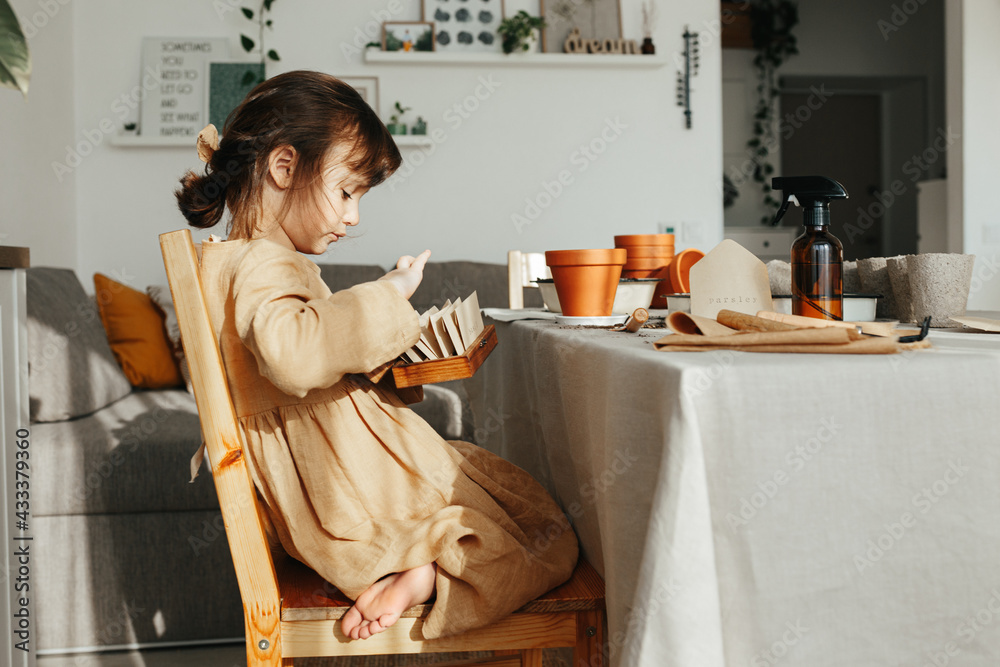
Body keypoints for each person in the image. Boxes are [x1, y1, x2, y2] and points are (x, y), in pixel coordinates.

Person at [174, 70, 578, 641]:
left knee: (501, 493)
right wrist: (388, 294)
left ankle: (426, 567)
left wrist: (388, 361)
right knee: (543, 532)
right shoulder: (262, 263)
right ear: (284, 168)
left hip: (334, 490)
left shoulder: (245, 262)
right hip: (351, 500)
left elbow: (305, 358)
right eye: (346, 192)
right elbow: (291, 357)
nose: (354, 217)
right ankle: (429, 571)